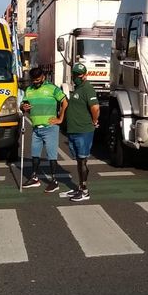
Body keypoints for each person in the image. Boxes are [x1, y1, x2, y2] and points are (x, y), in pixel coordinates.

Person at [20, 67, 68, 193]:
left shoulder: (52, 88)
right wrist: (23, 106)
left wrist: (60, 118)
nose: (35, 82)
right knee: (35, 154)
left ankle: (54, 181)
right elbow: (24, 105)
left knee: (51, 155)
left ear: (43, 77)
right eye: (33, 80)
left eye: (38, 79)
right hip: (36, 128)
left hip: (50, 128)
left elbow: (65, 102)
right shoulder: (29, 90)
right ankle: (34, 177)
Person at [61, 63, 100, 202]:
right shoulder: (78, 88)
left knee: (82, 160)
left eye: (79, 74)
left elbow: (95, 108)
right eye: (75, 74)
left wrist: (95, 121)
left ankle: (84, 190)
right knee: (78, 160)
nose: (76, 77)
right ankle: (79, 187)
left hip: (83, 130)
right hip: (74, 130)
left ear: (84, 75)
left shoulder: (87, 89)